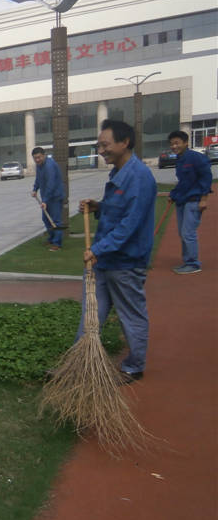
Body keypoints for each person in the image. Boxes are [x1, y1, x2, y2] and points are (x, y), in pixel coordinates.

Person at [78, 119, 157, 383]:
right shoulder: (118, 173)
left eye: (105, 144)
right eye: (99, 144)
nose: (101, 150)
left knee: (130, 315)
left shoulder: (139, 177)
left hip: (125, 262)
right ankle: (81, 362)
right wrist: (98, 207)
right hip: (104, 261)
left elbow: (129, 226)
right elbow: (116, 213)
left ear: (124, 143)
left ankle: (134, 366)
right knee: (91, 314)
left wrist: (96, 249)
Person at [167, 130, 212, 274]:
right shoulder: (180, 160)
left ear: (186, 143)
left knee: (188, 233)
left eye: (177, 143)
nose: (174, 146)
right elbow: (183, 182)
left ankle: (193, 264)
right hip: (183, 200)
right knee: (183, 232)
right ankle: (188, 261)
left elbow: (206, 178)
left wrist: (204, 199)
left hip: (194, 200)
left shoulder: (196, 158)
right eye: (172, 144)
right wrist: (173, 194)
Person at [31, 146, 64, 251]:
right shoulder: (39, 166)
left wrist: (45, 201)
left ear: (44, 155)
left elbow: (51, 184)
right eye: (35, 158)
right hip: (47, 197)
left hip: (54, 197)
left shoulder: (49, 166)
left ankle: (57, 243)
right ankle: (52, 238)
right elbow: (38, 179)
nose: (37, 160)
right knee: (46, 219)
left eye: (39, 157)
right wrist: (35, 189)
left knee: (55, 221)